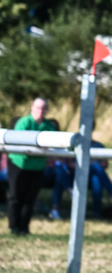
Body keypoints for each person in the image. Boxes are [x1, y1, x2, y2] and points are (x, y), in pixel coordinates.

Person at [7, 98, 58, 235]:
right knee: (16, 196)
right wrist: (40, 147)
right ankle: (14, 227)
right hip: (19, 164)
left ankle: (24, 228)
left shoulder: (48, 125)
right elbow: (19, 141)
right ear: (32, 108)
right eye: (38, 107)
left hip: (37, 167)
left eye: (43, 108)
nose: (40, 111)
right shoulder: (24, 122)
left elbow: (52, 143)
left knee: (30, 198)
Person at [49, 140, 112, 219]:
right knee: (95, 166)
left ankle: (96, 212)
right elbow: (66, 162)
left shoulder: (98, 145)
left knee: (96, 179)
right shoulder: (73, 143)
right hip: (73, 173)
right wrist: (87, 163)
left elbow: (105, 165)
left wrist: (91, 161)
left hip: (89, 174)